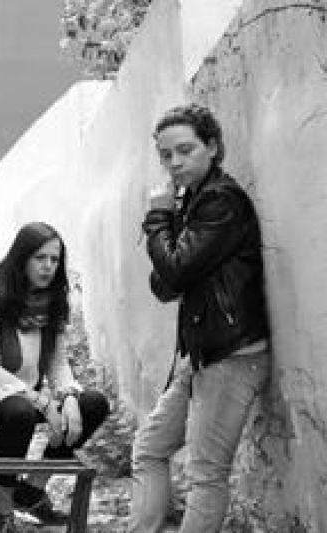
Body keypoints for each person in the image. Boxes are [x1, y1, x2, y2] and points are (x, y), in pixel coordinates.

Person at [128, 104, 271, 532]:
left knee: (206, 473)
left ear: (212, 146)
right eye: (165, 155)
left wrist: (158, 218)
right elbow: (166, 284)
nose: (174, 163)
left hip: (232, 355)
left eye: (185, 150)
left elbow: (173, 271)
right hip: (202, 355)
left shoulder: (221, 200)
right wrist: (171, 227)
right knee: (150, 448)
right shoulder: (191, 202)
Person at [0, 221, 110, 532]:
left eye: (54, 259)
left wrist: (69, 397)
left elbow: (57, 363)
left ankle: (31, 491)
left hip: (21, 391)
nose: (48, 266)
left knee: (94, 403)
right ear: (21, 258)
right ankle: (2, 512)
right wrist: (43, 402)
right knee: (20, 411)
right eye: (40, 258)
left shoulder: (53, 299)